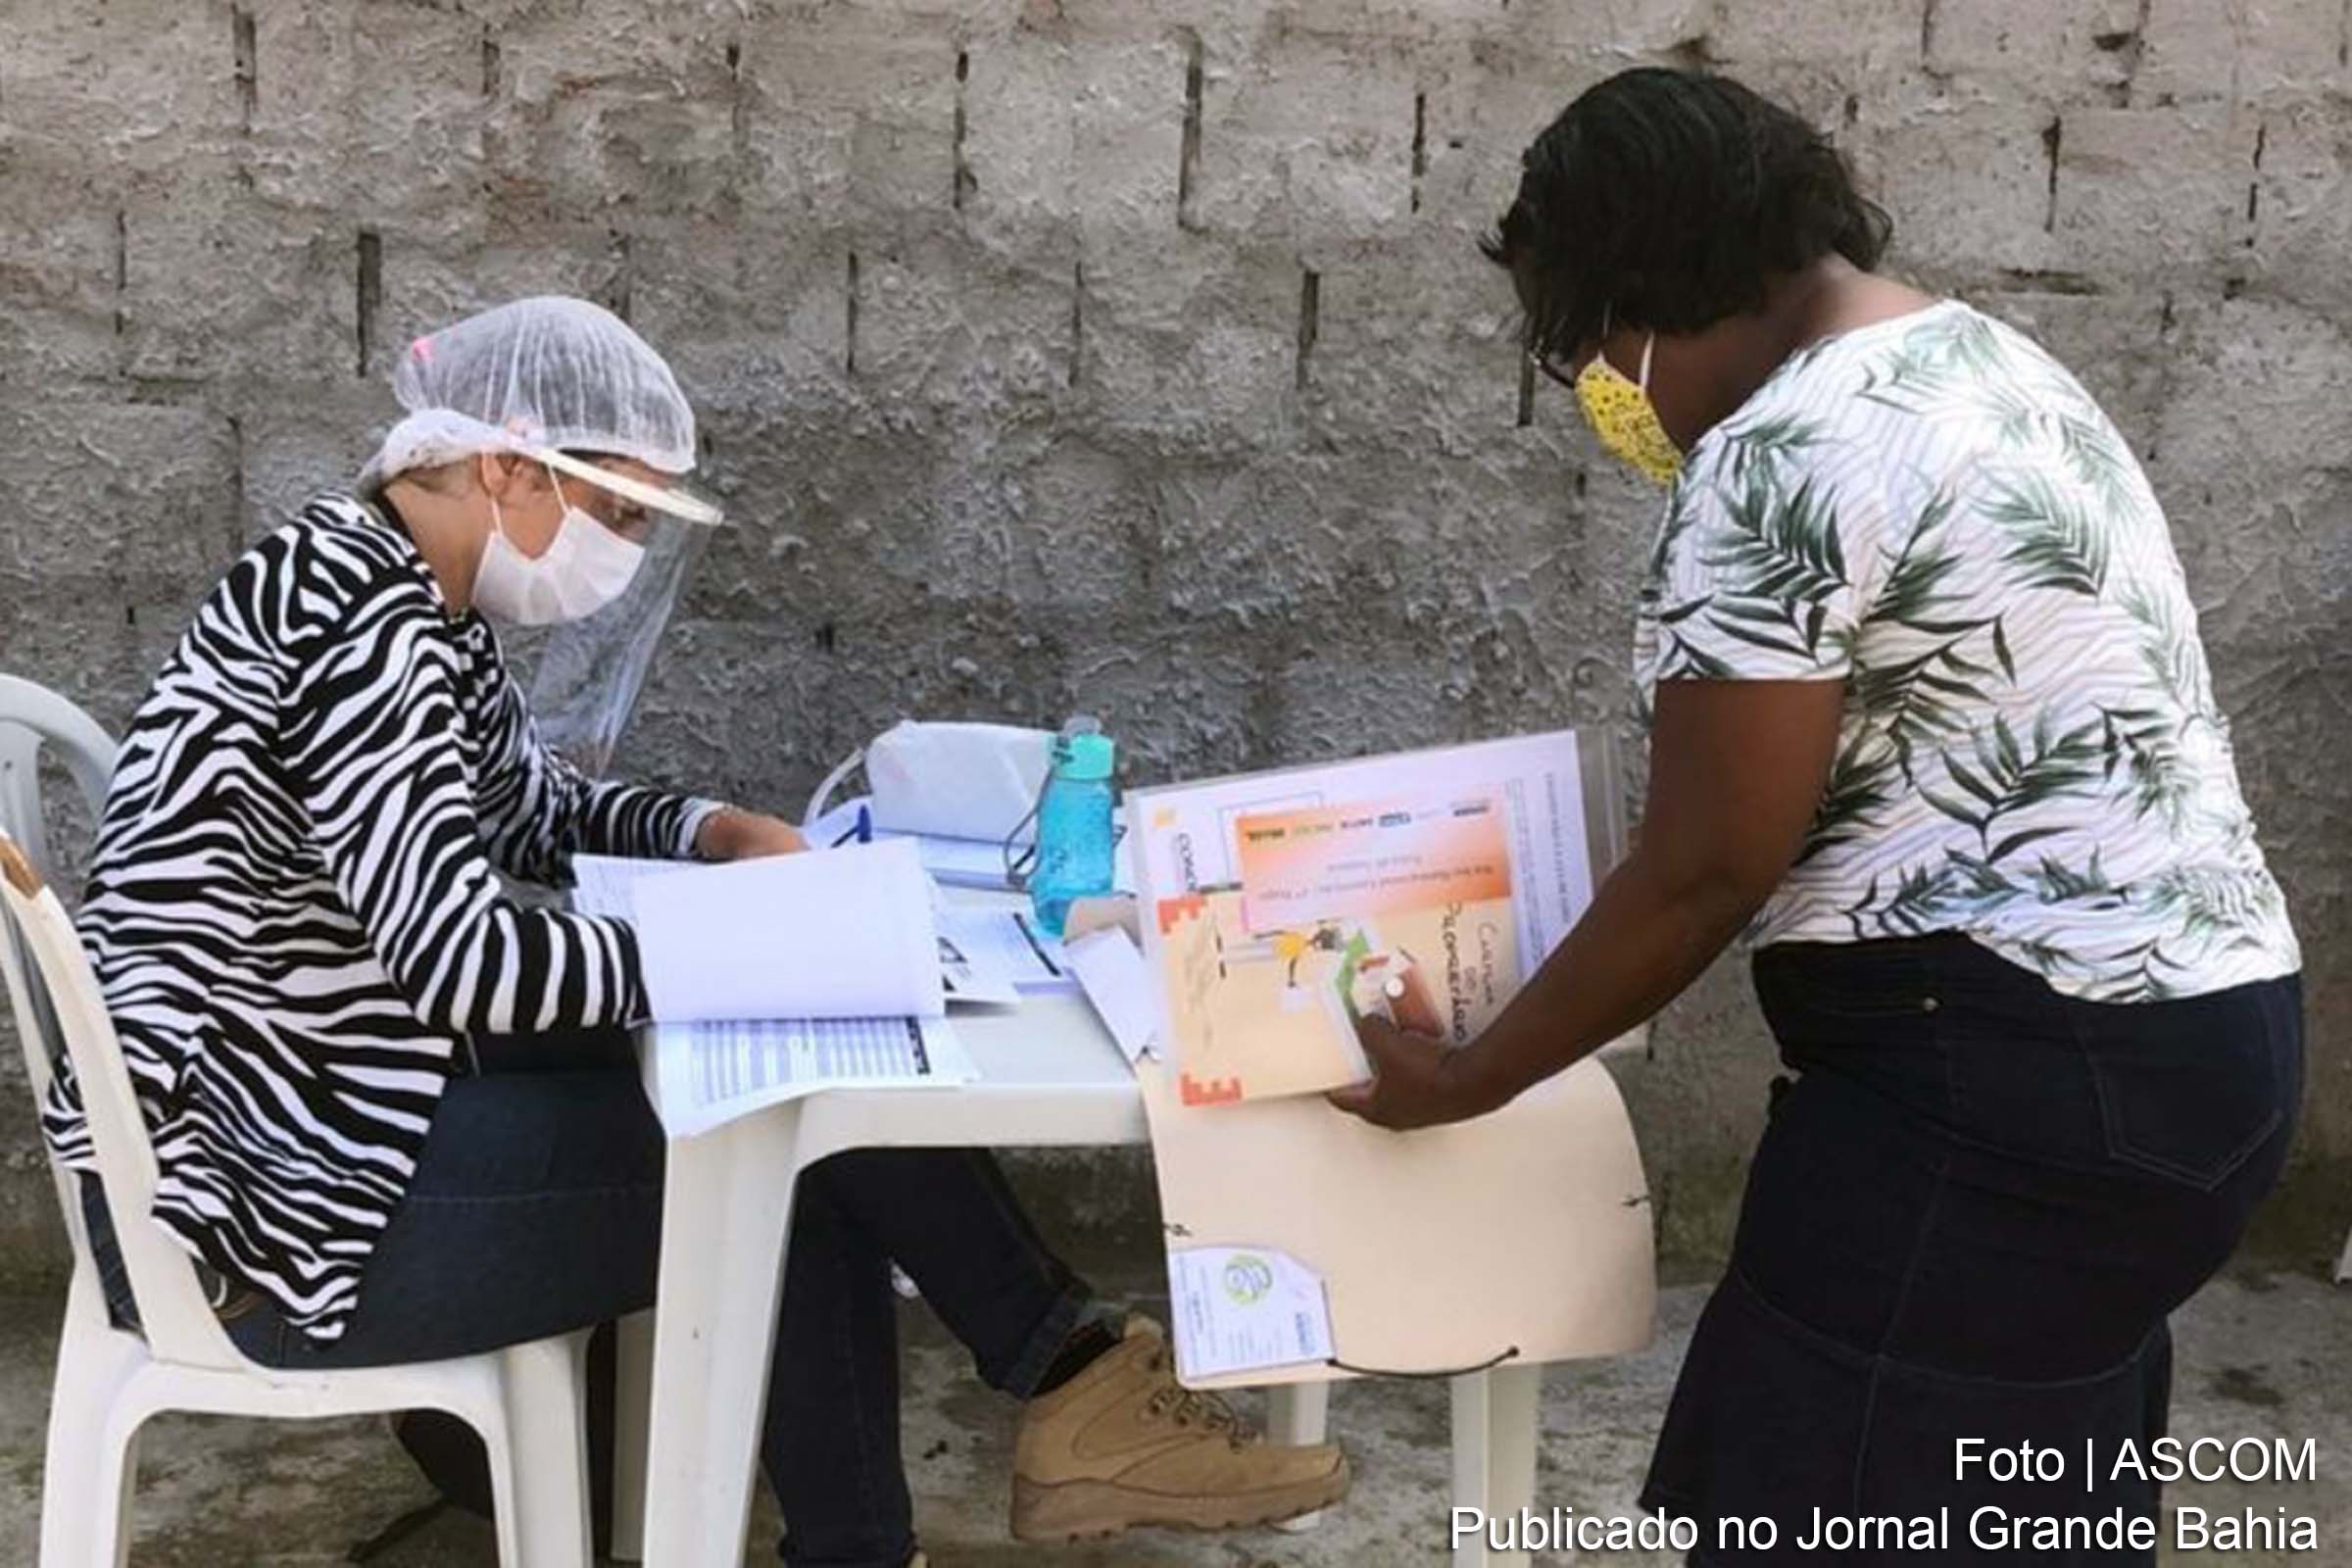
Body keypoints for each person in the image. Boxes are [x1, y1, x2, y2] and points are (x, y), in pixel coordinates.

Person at [40, 296, 1348, 1567]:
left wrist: (715, 833)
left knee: (794, 1115)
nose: (617, 548)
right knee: (786, 1163)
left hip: (315, 1101)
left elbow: (526, 807)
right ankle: (1057, 1398)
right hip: (261, 1207)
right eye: (613, 511)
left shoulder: (401, 590)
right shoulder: (366, 623)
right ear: (505, 465)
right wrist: (740, 956)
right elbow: (463, 962)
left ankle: (1061, 1390)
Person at [1330, 70, 2302, 1563]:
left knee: (1806, 1502)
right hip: (2204, 1056)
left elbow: (1710, 866)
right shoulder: (1988, 364)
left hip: (2000, 1084)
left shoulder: (1782, 453)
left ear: (1641, 286)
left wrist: (1466, 1078)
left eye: (1579, 340)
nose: (1595, 387)